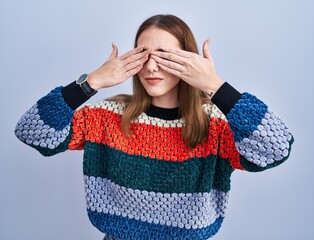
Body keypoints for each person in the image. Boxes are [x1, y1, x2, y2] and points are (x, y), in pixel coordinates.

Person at [15, 14, 294, 240]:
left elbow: (277, 147)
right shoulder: (104, 116)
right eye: (142, 54)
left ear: (189, 60)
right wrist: (91, 83)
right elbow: (32, 131)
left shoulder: (217, 125)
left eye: (164, 55)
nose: (151, 66)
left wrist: (215, 86)